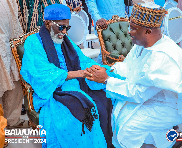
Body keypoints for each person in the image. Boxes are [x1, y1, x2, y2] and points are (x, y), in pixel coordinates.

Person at [84, 2, 182, 148]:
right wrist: (108, 71)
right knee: (118, 113)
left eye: (133, 28)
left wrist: (106, 80)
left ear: (147, 32)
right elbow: (128, 67)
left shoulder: (162, 56)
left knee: (128, 129)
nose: (128, 32)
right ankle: (167, 140)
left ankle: (176, 138)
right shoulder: (142, 45)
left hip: (169, 105)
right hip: (150, 95)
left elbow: (138, 93)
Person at [20, 4, 114, 148]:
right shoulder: (33, 42)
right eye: (61, 27)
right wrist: (78, 73)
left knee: (105, 99)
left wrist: (95, 68)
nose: (64, 32)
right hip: (51, 90)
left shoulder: (65, 40)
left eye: (67, 28)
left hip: (76, 83)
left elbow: (81, 60)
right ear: (47, 23)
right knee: (78, 114)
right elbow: (41, 73)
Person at [0, 0, 26, 129]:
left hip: (11, 45)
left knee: (14, 83)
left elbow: (15, 23)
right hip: (2, 45)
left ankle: (12, 120)